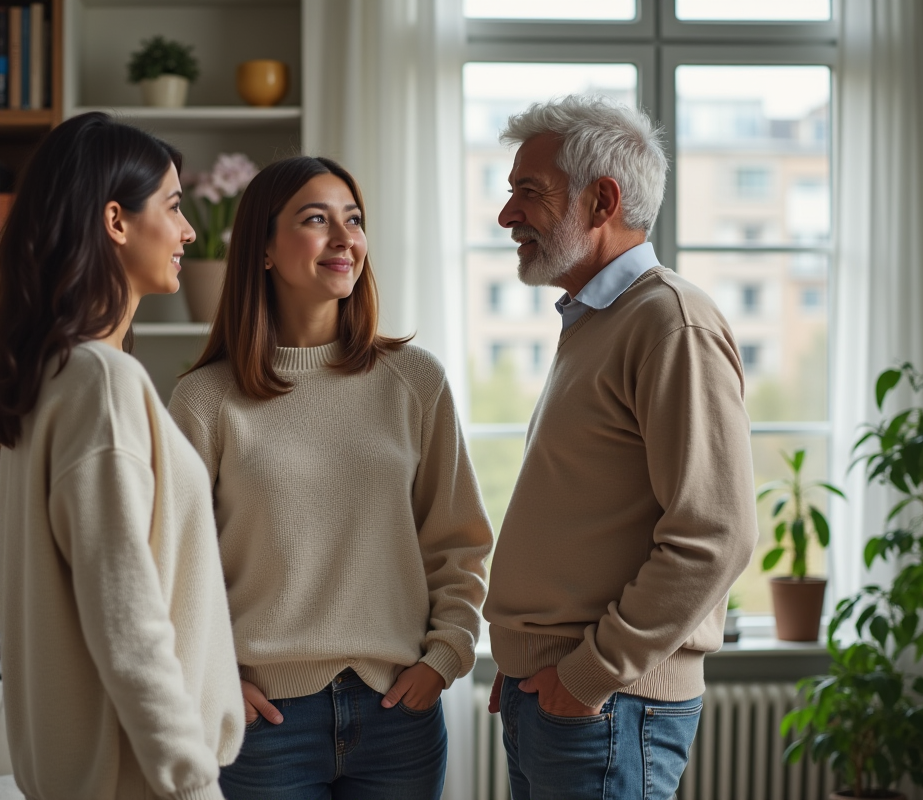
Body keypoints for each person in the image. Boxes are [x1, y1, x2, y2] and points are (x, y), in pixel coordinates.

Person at [168, 155, 493, 800]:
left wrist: (446, 655)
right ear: (262, 247)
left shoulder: (414, 380)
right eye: (317, 220)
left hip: (398, 714)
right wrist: (216, 681)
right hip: (264, 724)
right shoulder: (205, 401)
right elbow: (177, 566)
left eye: (355, 220)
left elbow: (458, 536)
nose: (346, 238)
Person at [482, 95, 758, 800]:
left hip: (604, 702)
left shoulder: (669, 321)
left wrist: (585, 676)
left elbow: (714, 535)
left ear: (601, 200)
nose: (507, 215)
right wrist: (530, 661)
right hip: (564, 694)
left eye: (527, 192)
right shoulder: (598, 318)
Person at [0, 112, 243, 800]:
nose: (187, 232)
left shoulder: (53, 379)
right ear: (116, 221)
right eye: (174, 208)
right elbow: (128, 619)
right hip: (142, 783)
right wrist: (191, 780)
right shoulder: (99, 382)